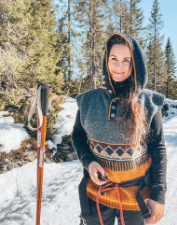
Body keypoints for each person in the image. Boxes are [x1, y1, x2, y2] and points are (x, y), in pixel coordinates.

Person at [72, 32, 167, 225]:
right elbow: (78, 134)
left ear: (135, 65)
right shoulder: (88, 100)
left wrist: (159, 193)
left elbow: (158, 148)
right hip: (97, 193)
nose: (118, 66)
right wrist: (89, 162)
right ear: (106, 61)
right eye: (113, 59)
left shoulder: (148, 102)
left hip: (136, 194)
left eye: (126, 60)